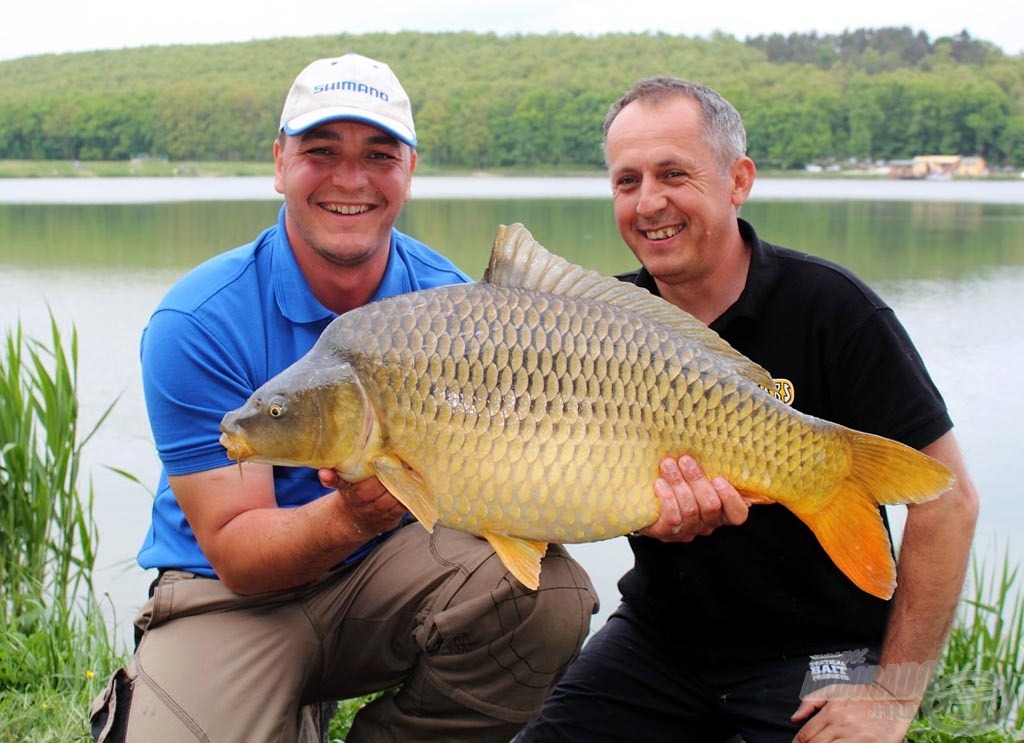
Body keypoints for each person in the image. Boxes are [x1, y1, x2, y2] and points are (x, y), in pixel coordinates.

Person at [88, 52, 598, 743]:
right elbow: (237, 550)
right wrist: (353, 514)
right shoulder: (198, 321)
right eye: (321, 151)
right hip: (225, 594)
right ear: (279, 163)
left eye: (379, 155)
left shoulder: (455, 307)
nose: (350, 179)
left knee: (551, 598)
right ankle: (263, 704)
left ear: (408, 171)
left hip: (386, 578)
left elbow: (520, 478)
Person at [517, 76, 979, 742]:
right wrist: (647, 518)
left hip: (816, 652)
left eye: (673, 174)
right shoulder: (596, 325)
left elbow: (950, 499)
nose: (649, 203)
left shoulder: (833, 309)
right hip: (658, 641)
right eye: (627, 181)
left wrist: (893, 693)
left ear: (739, 180)